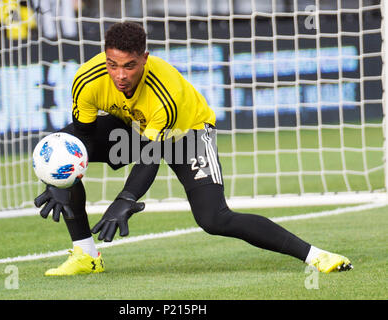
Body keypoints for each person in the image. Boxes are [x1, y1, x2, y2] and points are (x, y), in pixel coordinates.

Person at [34, 21, 353, 276]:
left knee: (214, 219)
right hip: (130, 127)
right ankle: (85, 254)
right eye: (113, 65)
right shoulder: (87, 80)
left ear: (145, 58)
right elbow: (83, 139)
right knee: (59, 151)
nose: (120, 75)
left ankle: (317, 256)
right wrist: (62, 179)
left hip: (186, 134)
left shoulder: (164, 93)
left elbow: (151, 156)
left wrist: (126, 199)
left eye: (129, 66)